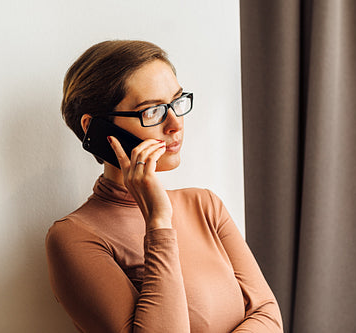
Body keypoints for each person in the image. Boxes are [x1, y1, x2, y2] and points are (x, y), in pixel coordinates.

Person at [45, 40, 283, 333]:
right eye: (153, 111)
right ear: (95, 128)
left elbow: (268, 315)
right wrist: (158, 223)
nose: (175, 124)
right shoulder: (74, 237)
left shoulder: (205, 205)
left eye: (177, 102)